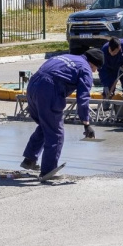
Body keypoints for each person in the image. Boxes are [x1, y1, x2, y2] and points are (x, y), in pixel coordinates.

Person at [20, 48, 104, 178]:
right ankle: (48, 171)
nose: (95, 71)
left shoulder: (67, 57)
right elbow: (83, 98)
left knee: (46, 125)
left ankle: (30, 159)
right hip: (49, 89)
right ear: (93, 63)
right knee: (55, 133)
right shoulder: (85, 69)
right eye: (96, 68)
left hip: (33, 85)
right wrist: (86, 123)